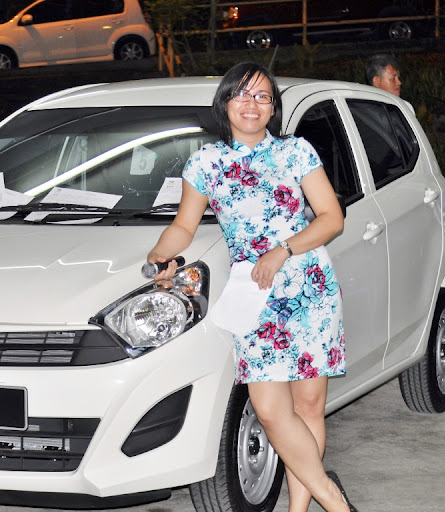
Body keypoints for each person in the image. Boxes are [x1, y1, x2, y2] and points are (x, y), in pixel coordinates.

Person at [147, 62, 357, 512]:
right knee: (269, 409)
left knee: (308, 406)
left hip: (307, 286)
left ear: (273, 107)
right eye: (242, 94)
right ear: (224, 102)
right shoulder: (206, 162)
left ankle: (299, 509)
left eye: (263, 96)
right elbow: (183, 227)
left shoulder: (295, 151)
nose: (252, 104)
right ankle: (335, 500)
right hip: (254, 295)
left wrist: (282, 250)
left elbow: (331, 218)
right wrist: (159, 256)